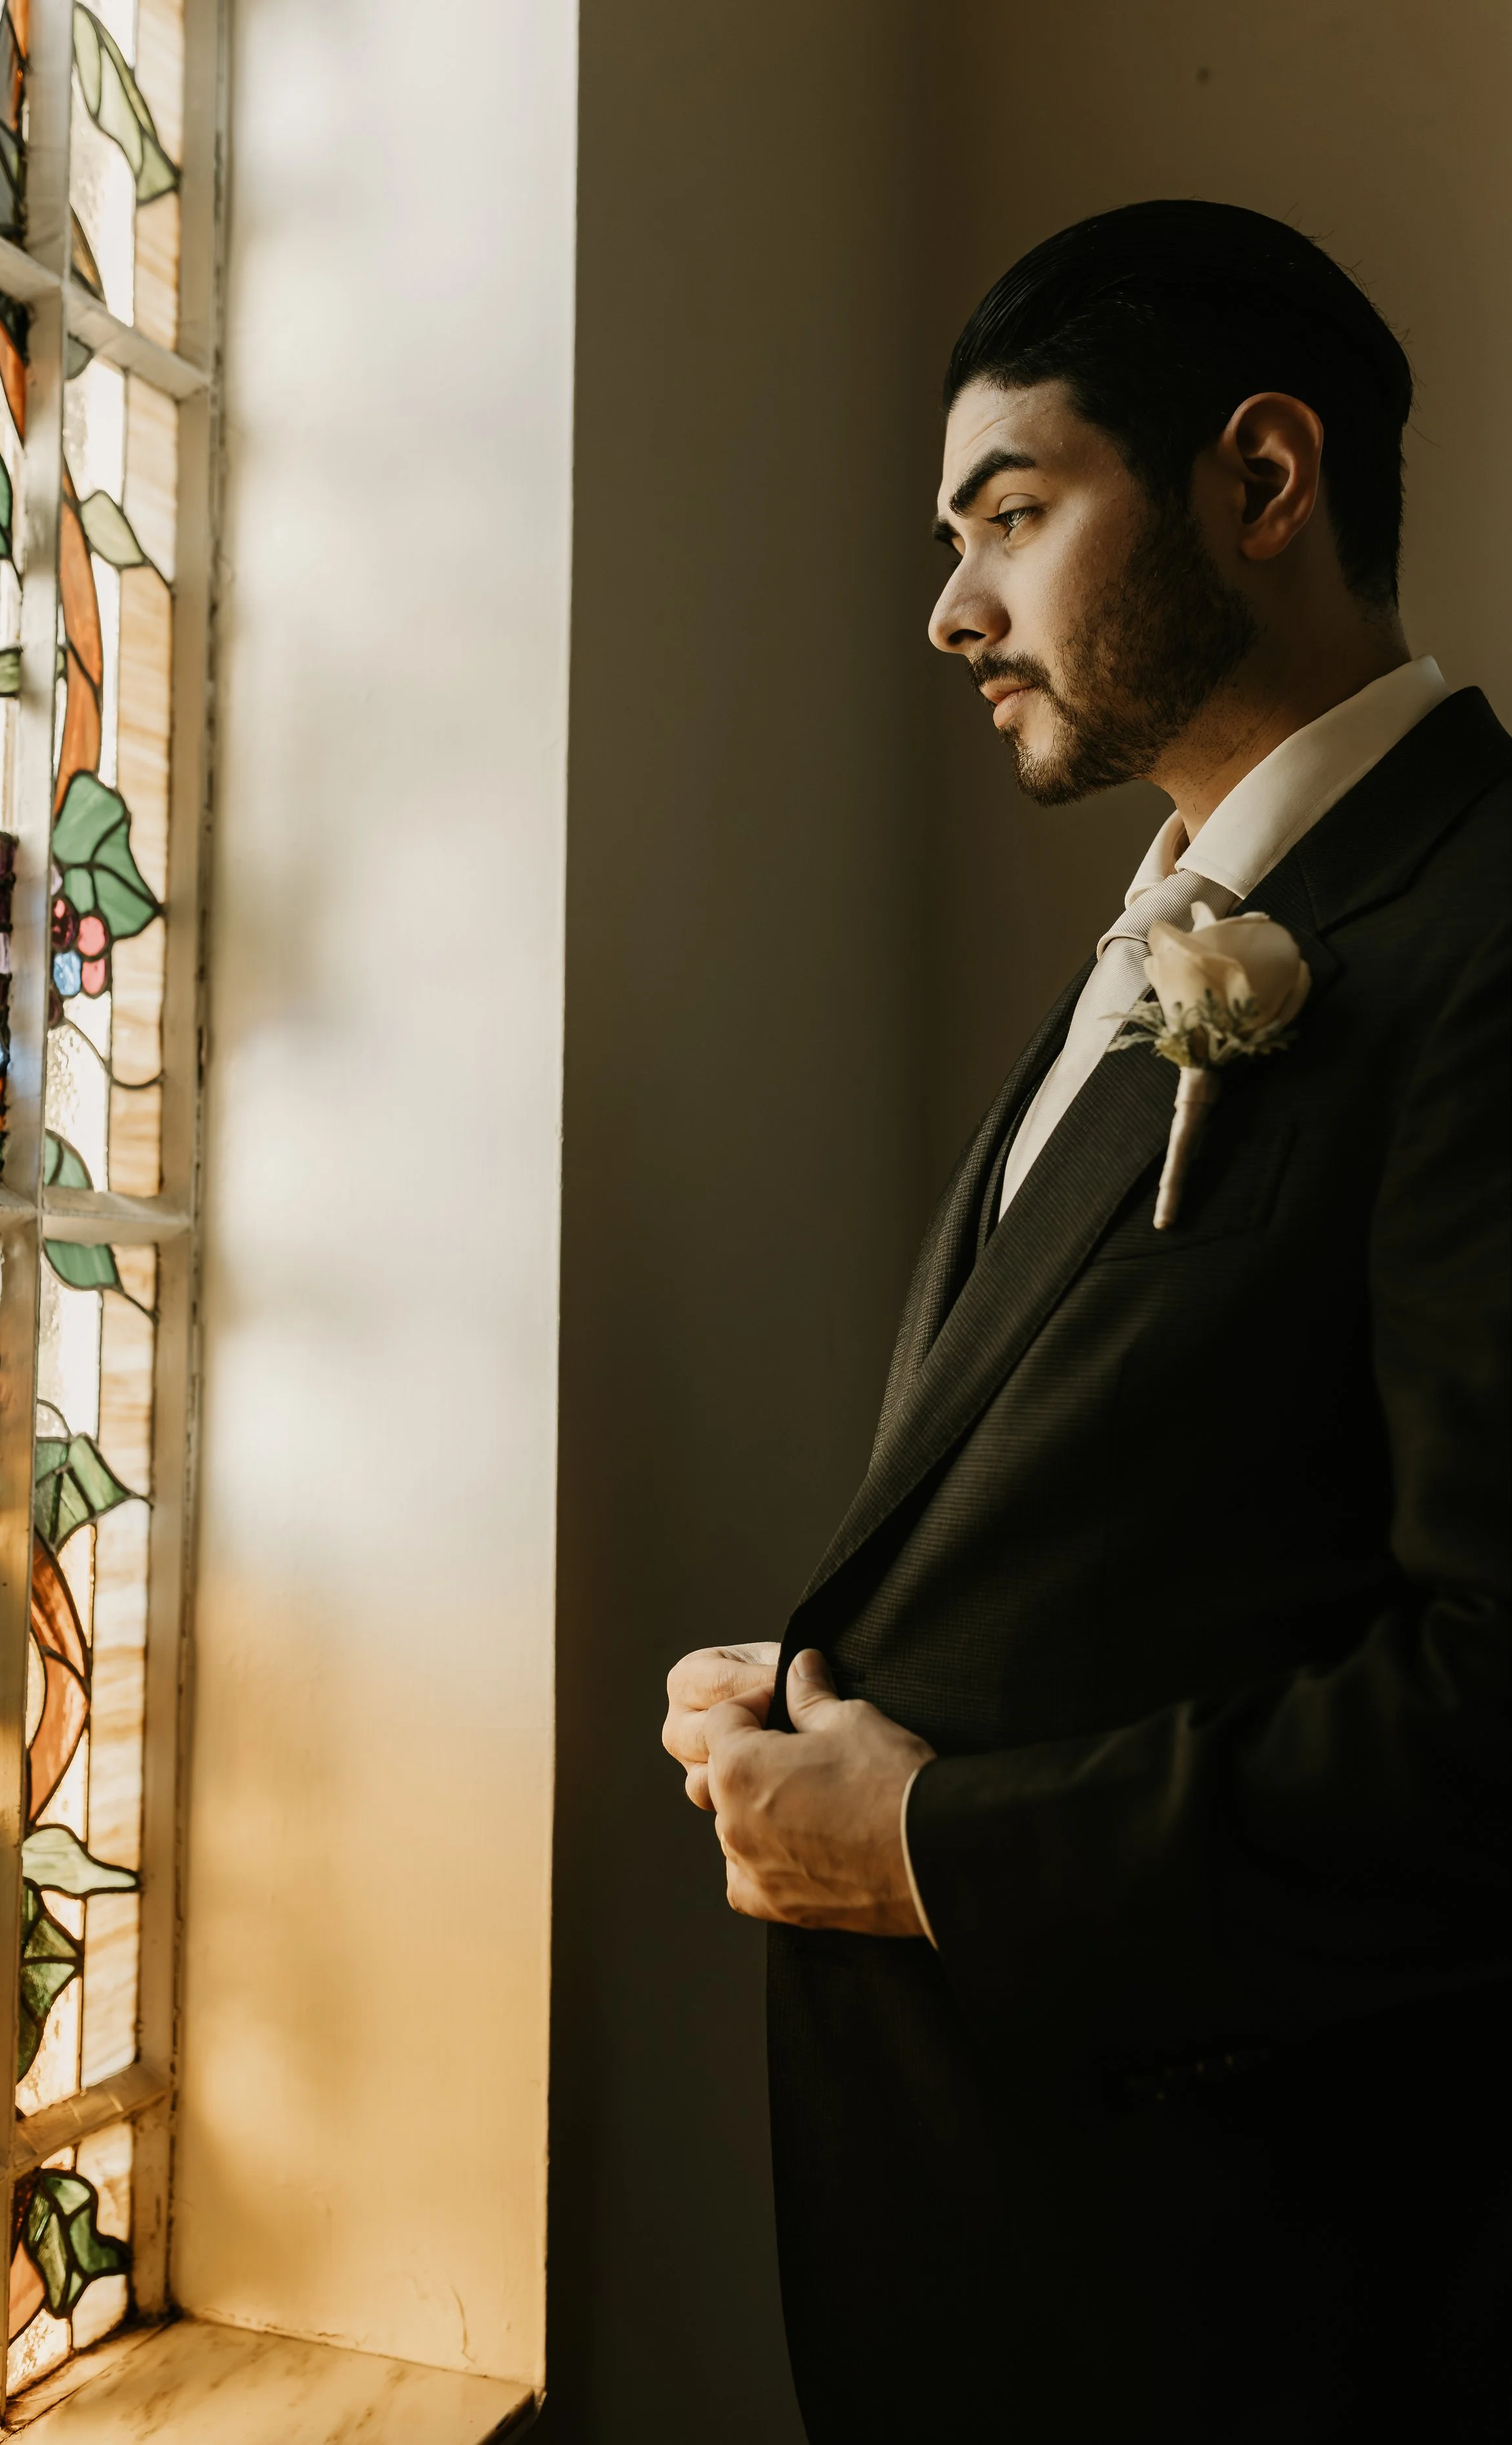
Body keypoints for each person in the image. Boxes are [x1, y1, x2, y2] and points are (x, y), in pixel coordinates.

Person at [661, 200, 1510, 2442]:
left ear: (1258, 480)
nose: (951, 610)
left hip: (1247, 2298)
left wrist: (935, 1844)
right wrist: (832, 1684)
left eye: (1013, 517)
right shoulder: (1177, 927)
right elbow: (1159, 1506)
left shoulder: (1483, 933)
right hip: (994, 2244)